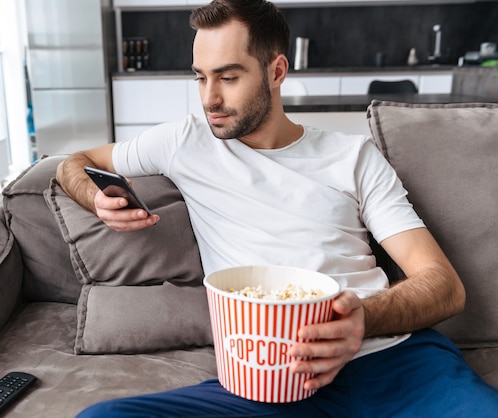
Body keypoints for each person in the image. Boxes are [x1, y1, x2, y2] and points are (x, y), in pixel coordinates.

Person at [57, 0, 498, 416]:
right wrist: (94, 197)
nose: (209, 97)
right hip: (269, 378)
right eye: (200, 77)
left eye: (228, 77)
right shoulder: (183, 142)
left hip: (395, 360)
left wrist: (362, 319)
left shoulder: (352, 156)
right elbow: (73, 163)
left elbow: (443, 286)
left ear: (276, 71)